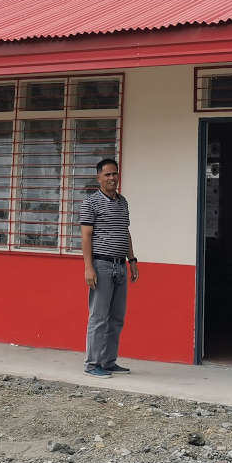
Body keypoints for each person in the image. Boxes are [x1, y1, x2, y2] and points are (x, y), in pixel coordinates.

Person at [79, 157, 138, 377]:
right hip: (101, 265)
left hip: (120, 266)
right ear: (99, 177)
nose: (112, 178)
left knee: (116, 318)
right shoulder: (91, 202)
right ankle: (92, 364)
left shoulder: (123, 202)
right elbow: (86, 236)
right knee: (99, 317)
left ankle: (109, 361)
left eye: (115, 174)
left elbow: (126, 232)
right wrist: (88, 267)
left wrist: (132, 261)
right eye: (107, 174)